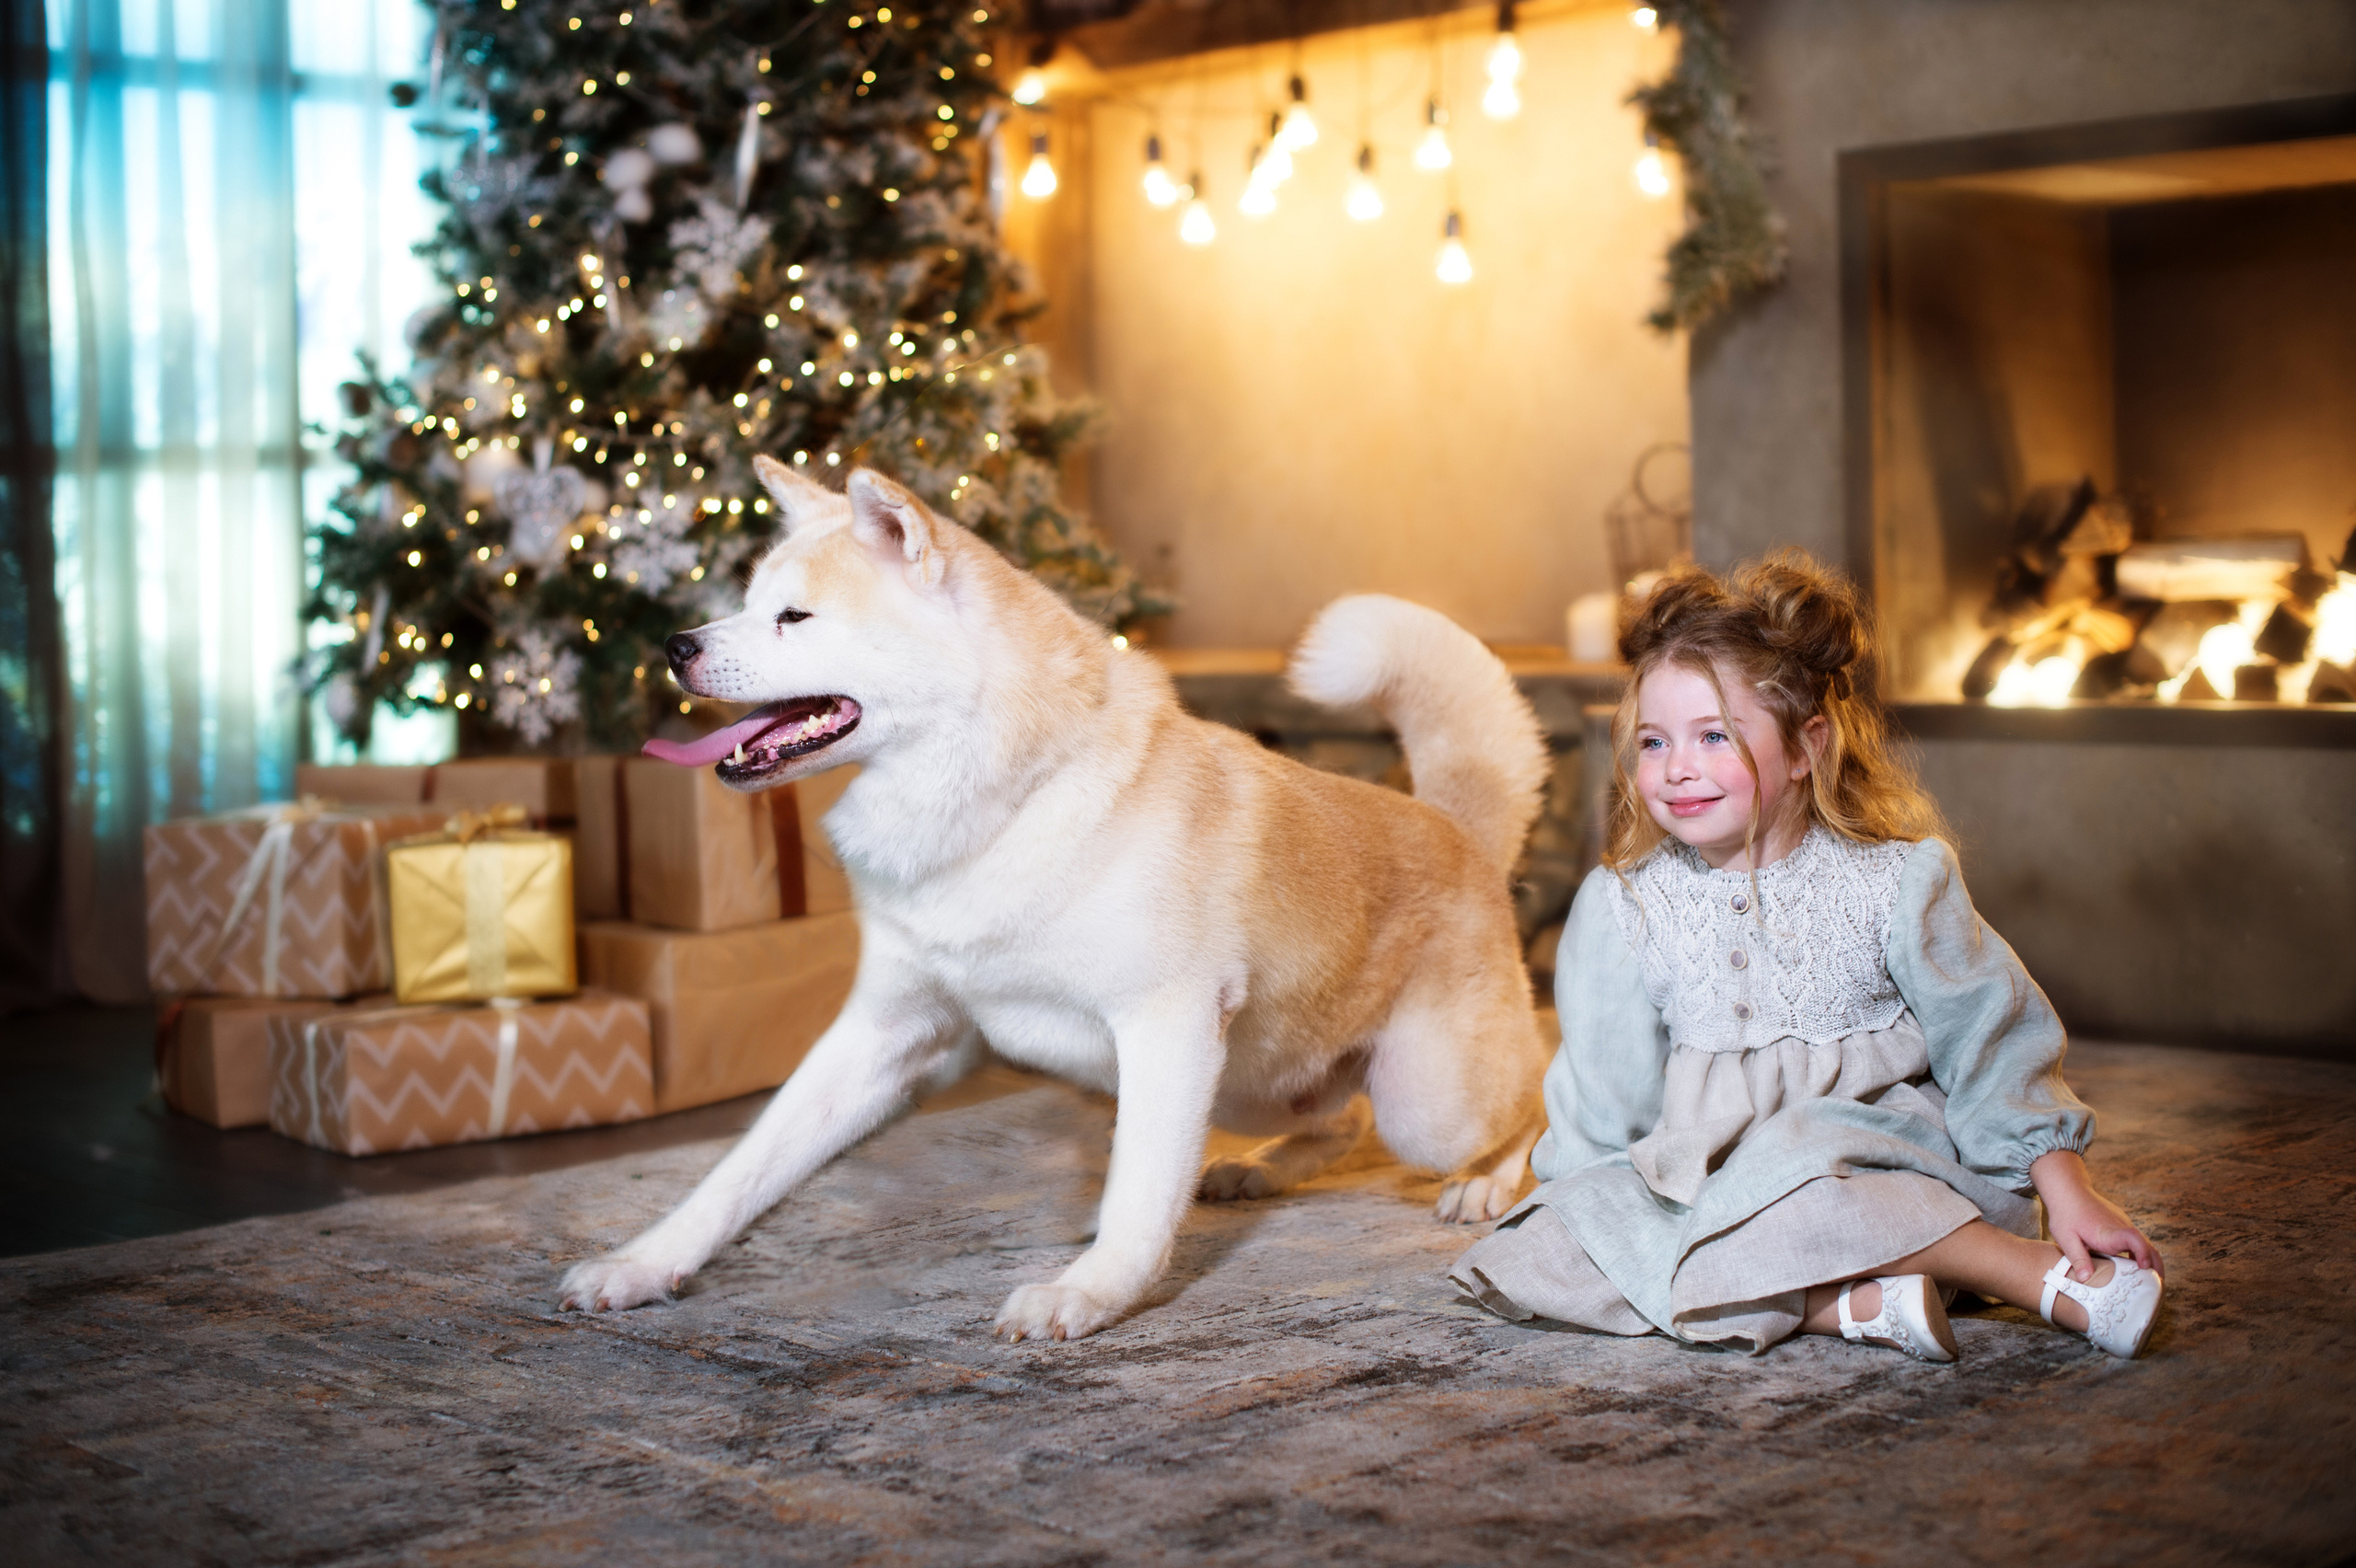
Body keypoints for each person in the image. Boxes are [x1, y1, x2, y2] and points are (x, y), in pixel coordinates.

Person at [1449, 554, 2164, 1360]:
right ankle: (1848, 1303)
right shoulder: (1626, 906)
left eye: (1713, 736)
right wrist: (1589, 1211)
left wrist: (2067, 1190)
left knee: (1799, 1162)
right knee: (1533, 1250)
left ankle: (2031, 1275)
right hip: (1710, 1192)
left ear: (1804, 749)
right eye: (1653, 741)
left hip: (1875, 1175)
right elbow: (1601, 1098)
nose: (1676, 767)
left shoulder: (1895, 880)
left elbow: (1990, 1036)